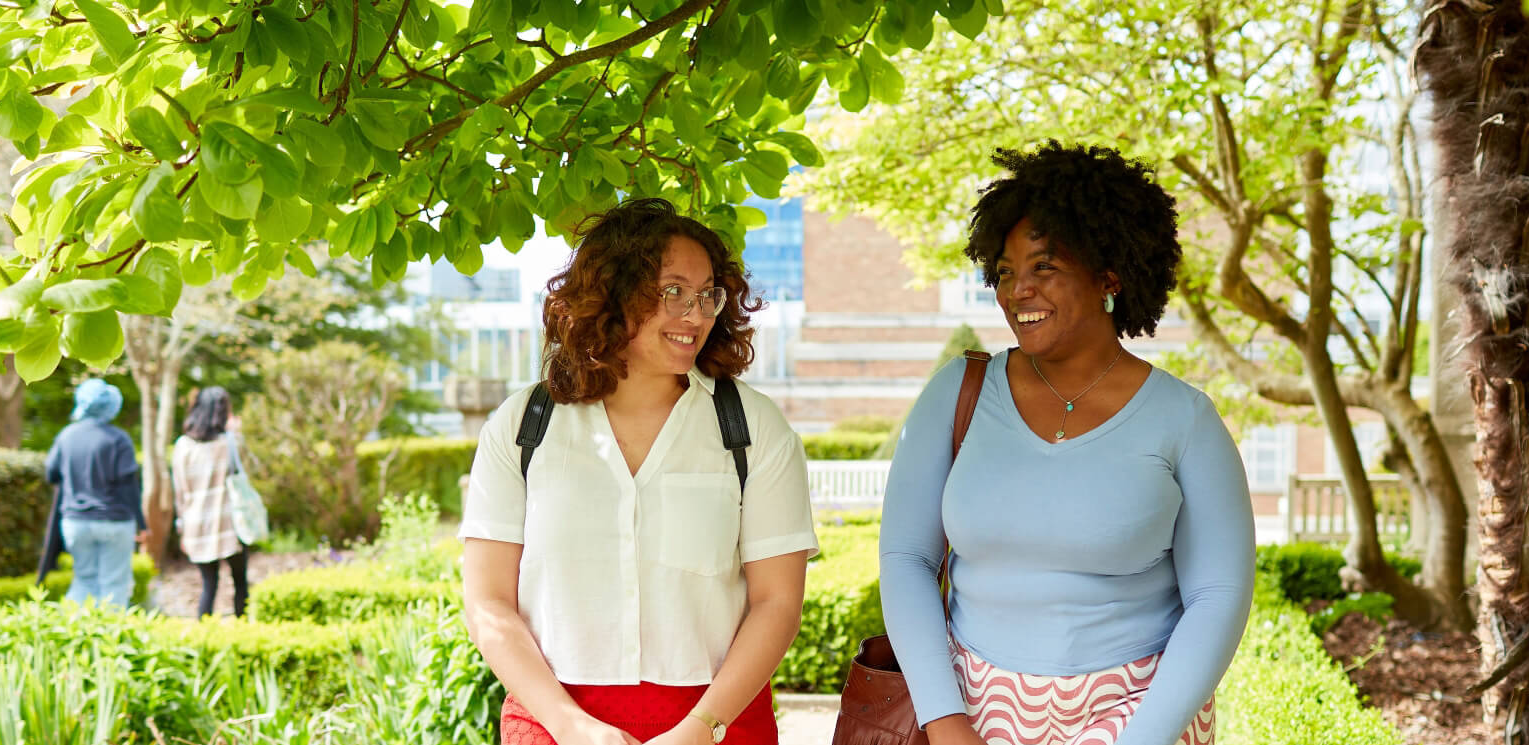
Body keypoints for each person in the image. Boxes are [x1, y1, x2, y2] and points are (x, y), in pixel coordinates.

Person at [878, 142, 1254, 745]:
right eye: (1005, 272)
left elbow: (1218, 596)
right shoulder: (958, 392)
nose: (1016, 290)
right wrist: (947, 724)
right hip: (969, 707)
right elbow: (907, 559)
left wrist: (1141, 738)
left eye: (1043, 267)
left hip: (1137, 711)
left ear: (1109, 276)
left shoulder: (1186, 419)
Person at [459, 198, 818, 745]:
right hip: (555, 721)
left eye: (706, 296)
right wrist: (570, 726)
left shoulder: (751, 426)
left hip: (718, 723)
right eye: (672, 291)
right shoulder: (523, 424)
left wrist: (702, 728)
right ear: (613, 291)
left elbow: (778, 603)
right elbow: (488, 604)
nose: (695, 314)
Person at [45, 378, 146, 608]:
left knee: (84, 581)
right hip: (115, 522)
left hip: (75, 523)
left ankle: (76, 638)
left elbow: (51, 474)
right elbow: (128, 486)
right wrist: (142, 524)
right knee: (114, 585)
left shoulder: (66, 436)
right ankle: (109, 640)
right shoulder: (119, 439)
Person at [171, 386, 250, 618]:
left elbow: (180, 491)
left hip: (197, 523)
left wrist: (181, 526)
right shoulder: (231, 443)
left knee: (208, 583)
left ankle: (204, 636)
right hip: (231, 523)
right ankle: (242, 629)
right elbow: (246, 473)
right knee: (240, 581)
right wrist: (236, 432)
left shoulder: (183, 445)